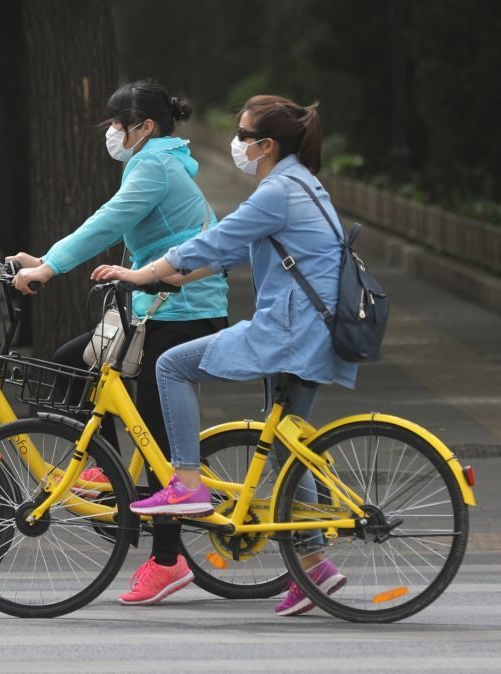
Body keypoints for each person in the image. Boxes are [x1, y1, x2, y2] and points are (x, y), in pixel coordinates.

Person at [92, 94, 357, 616]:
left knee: (170, 365)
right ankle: (315, 569)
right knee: (286, 448)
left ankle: (186, 484)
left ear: (266, 145)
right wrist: (163, 277)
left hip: (289, 332)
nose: (236, 143)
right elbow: (222, 255)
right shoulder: (305, 183)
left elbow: (213, 244)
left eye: (243, 135)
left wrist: (143, 274)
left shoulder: (277, 191)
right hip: (317, 331)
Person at [8, 79, 229, 606]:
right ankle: (102, 467)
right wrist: (47, 259)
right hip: (154, 307)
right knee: (72, 362)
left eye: (116, 124)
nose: (111, 133)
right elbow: (113, 225)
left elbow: (107, 221)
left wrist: (50, 266)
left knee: (156, 437)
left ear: (144, 127)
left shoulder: (153, 165)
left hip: (181, 312)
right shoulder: (157, 161)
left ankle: (169, 562)